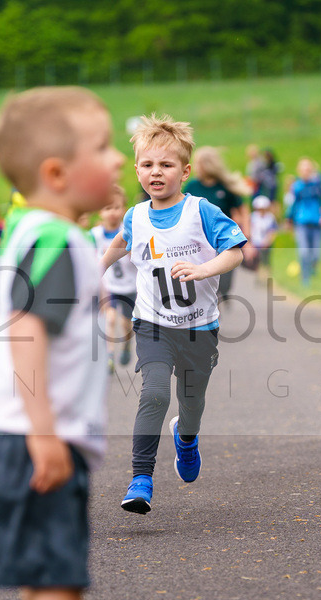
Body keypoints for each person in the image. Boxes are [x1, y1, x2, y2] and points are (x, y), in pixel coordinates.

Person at [0, 86, 124, 600]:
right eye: (105, 147)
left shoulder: (40, 229)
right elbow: (26, 332)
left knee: (47, 597)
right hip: (33, 443)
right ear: (57, 173)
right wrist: (44, 433)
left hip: (22, 441)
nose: (117, 160)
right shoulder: (58, 240)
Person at [100, 114, 246, 515]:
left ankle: (186, 436)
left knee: (191, 403)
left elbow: (235, 251)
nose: (155, 173)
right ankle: (141, 479)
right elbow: (120, 242)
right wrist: (94, 269)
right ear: (137, 171)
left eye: (165, 165)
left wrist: (204, 269)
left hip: (200, 327)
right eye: (147, 165)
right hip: (153, 324)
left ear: (184, 171)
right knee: (155, 393)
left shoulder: (202, 211)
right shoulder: (136, 216)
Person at [184, 146, 250, 301]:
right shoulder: (192, 186)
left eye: (198, 163)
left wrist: (246, 235)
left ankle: (220, 295)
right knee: (203, 276)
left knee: (224, 281)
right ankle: (211, 305)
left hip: (222, 239)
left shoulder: (225, 187)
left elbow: (242, 209)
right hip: (199, 240)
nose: (195, 167)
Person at [90, 185, 137, 368]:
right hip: (108, 287)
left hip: (129, 286)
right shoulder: (94, 235)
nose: (112, 213)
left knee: (126, 324)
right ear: (100, 212)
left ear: (124, 209)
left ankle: (126, 344)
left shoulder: (129, 233)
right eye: (107, 208)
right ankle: (109, 356)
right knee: (109, 319)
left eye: (117, 208)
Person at [286, 157, 321, 287]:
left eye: (308, 169)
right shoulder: (296, 186)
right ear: (299, 171)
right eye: (303, 169)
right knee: (304, 252)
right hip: (301, 223)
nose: (306, 171)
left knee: (316, 254)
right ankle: (305, 278)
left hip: (316, 222)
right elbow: (292, 204)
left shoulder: (317, 185)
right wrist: (289, 219)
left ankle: (312, 269)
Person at [249, 194, 278, 274]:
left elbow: (272, 231)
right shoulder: (252, 217)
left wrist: (267, 241)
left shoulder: (270, 218)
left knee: (265, 261)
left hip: (265, 244)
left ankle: (266, 273)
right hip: (255, 243)